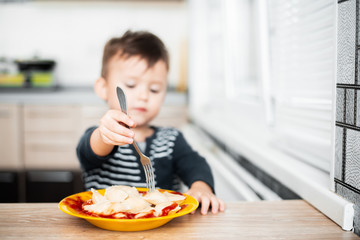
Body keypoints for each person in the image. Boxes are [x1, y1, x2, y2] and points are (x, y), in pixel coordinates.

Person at [76, 30, 225, 215]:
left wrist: (202, 188)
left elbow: (196, 164)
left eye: (154, 89)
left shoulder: (171, 139)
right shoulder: (101, 135)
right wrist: (104, 135)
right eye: (131, 85)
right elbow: (88, 151)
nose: (144, 96)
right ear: (103, 88)